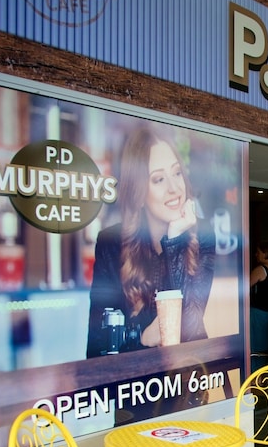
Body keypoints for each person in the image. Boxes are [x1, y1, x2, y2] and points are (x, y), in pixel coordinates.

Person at [86, 125, 216, 358]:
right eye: (158, 179)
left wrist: (175, 239)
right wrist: (141, 337)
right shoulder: (111, 243)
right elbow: (98, 341)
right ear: (139, 192)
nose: (174, 189)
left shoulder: (202, 236)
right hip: (132, 385)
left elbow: (187, 325)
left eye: (177, 174)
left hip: (186, 382)